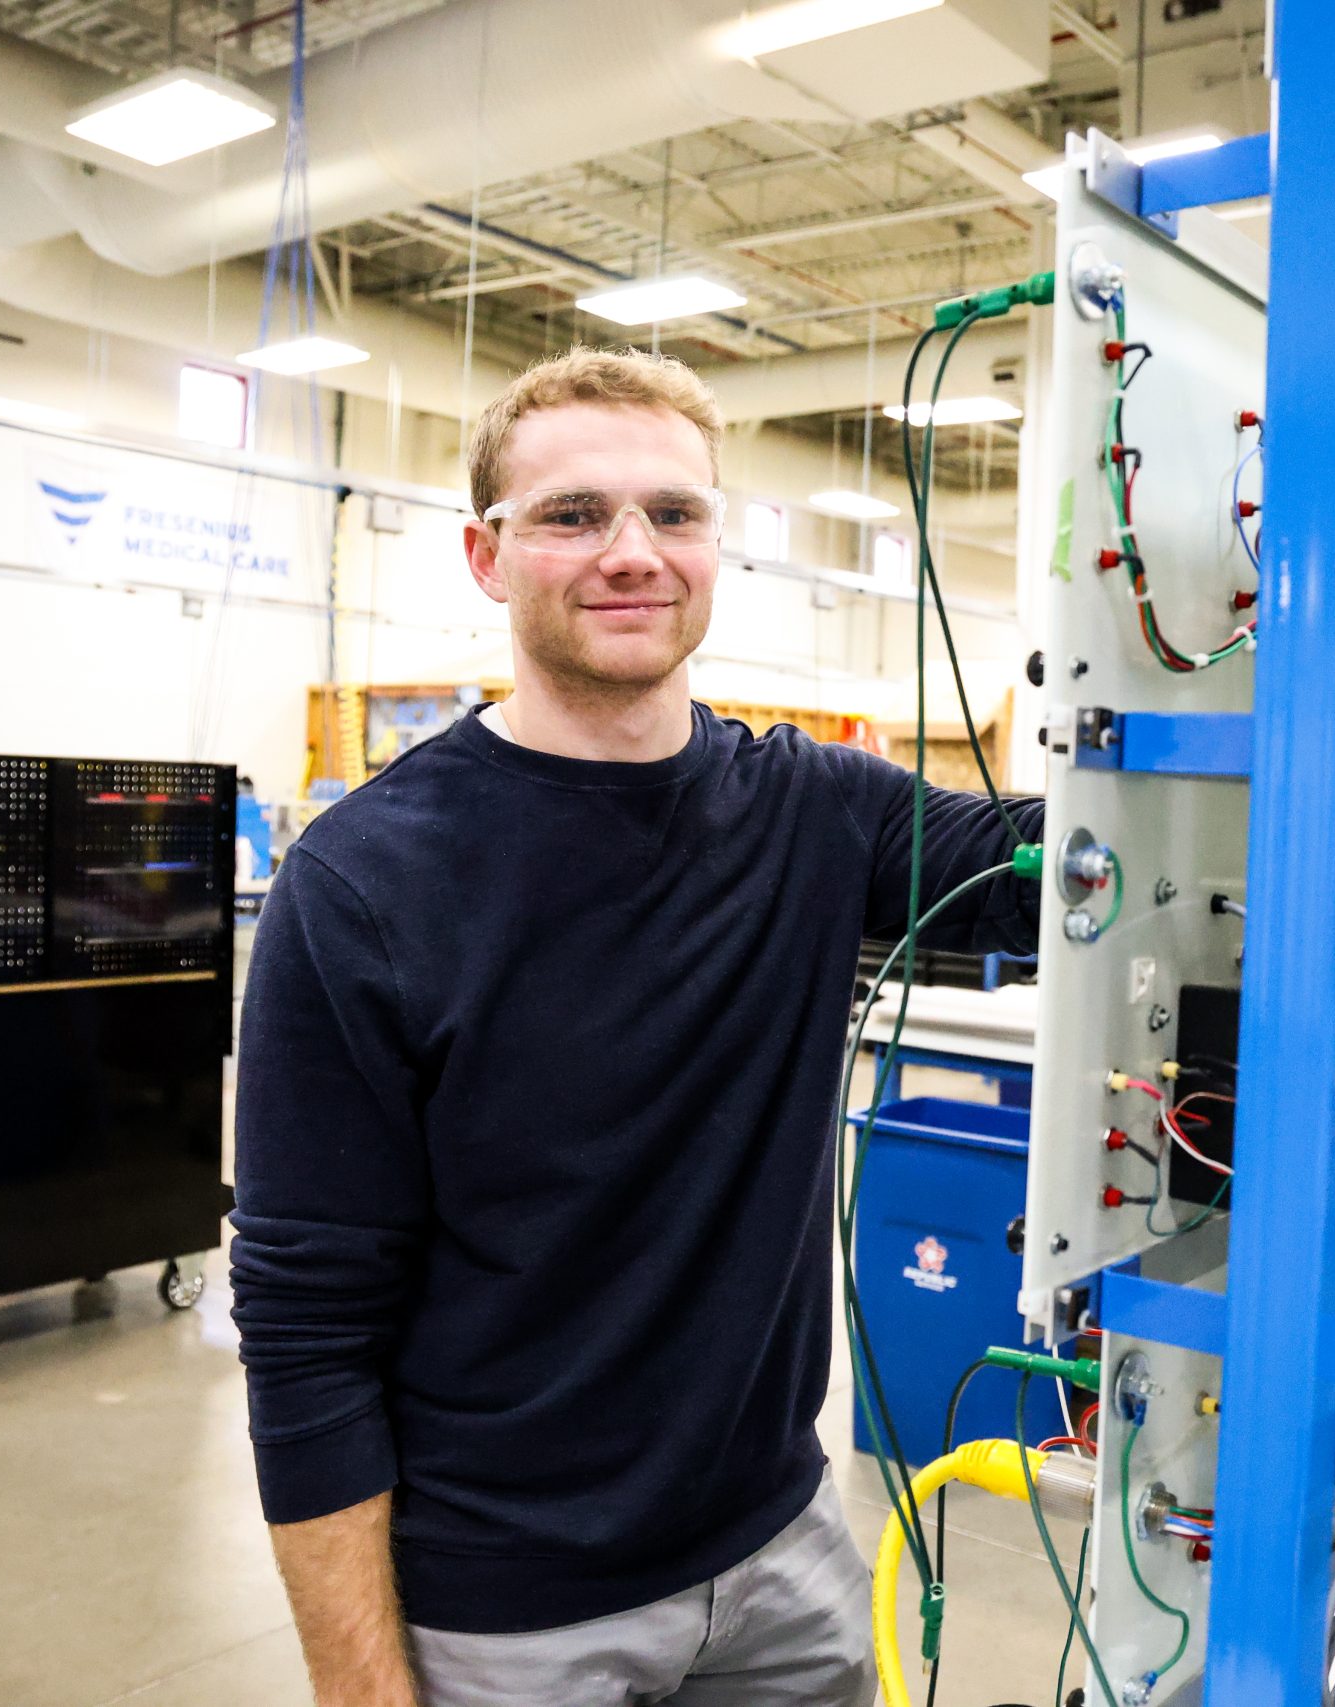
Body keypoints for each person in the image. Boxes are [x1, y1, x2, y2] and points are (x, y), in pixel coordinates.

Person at [231, 345, 1043, 1707]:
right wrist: (363, 1688)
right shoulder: (365, 881)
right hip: (512, 1616)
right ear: (487, 556)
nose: (632, 552)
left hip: (783, 1557)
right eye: (572, 514)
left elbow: (1064, 860)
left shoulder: (817, 810)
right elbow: (306, 1325)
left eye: (674, 513)